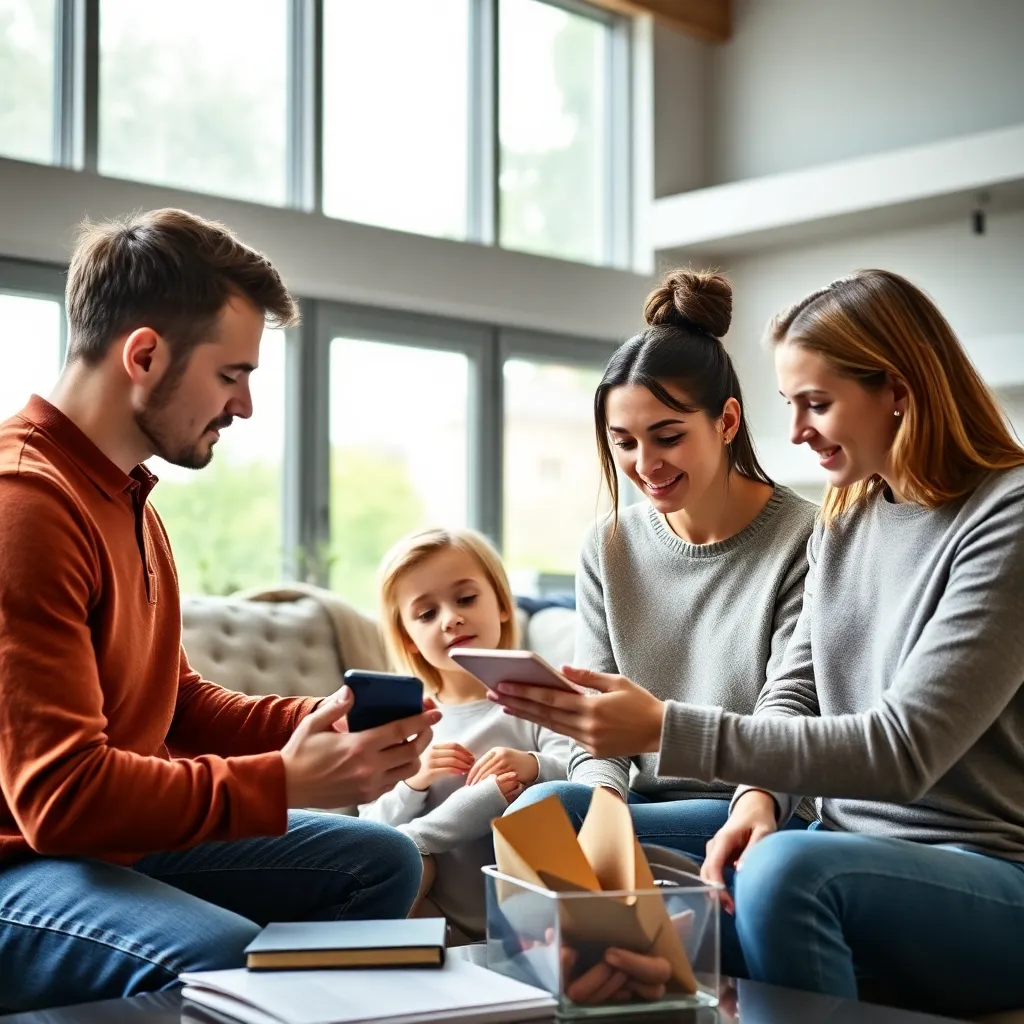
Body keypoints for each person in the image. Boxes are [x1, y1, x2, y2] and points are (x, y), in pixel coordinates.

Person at [492, 269, 1024, 1018]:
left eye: (817, 403)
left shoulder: (1007, 516)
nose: (798, 431)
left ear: (897, 390)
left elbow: (905, 752)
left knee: (781, 871)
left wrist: (666, 731)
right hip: (829, 836)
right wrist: (755, 800)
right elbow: (796, 689)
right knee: (550, 821)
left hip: (981, 871)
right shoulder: (850, 512)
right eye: (791, 405)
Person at [0, 209, 437, 1012]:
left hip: (103, 843)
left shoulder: (128, 498)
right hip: (19, 862)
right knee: (211, 957)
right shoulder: (24, 506)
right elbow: (59, 798)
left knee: (382, 861)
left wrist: (321, 724)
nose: (245, 407)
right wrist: (278, 781)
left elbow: (178, 703)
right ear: (145, 354)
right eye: (232, 374)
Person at [508, 269, 816, 859]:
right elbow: (595, 724)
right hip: (642, 800)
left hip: (749, 802)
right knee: (544, 815)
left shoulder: (805, 537)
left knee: (545, 832)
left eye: (667, 437)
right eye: (623, 442)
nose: (644, 463)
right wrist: (602, 799)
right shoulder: (608, 546)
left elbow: (790, 705)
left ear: (726, 421)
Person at [362, 527, 570, 941]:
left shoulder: (540, 698)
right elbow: (371, 829)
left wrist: (533, 766)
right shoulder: (403, 720)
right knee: (410, 862)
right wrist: (413, 782)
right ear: (409, 638)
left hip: (534, 916)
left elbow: (586, 777)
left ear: (502, 604)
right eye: (426, 614)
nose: (450, 619)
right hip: (438, 921)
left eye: (466, 599)